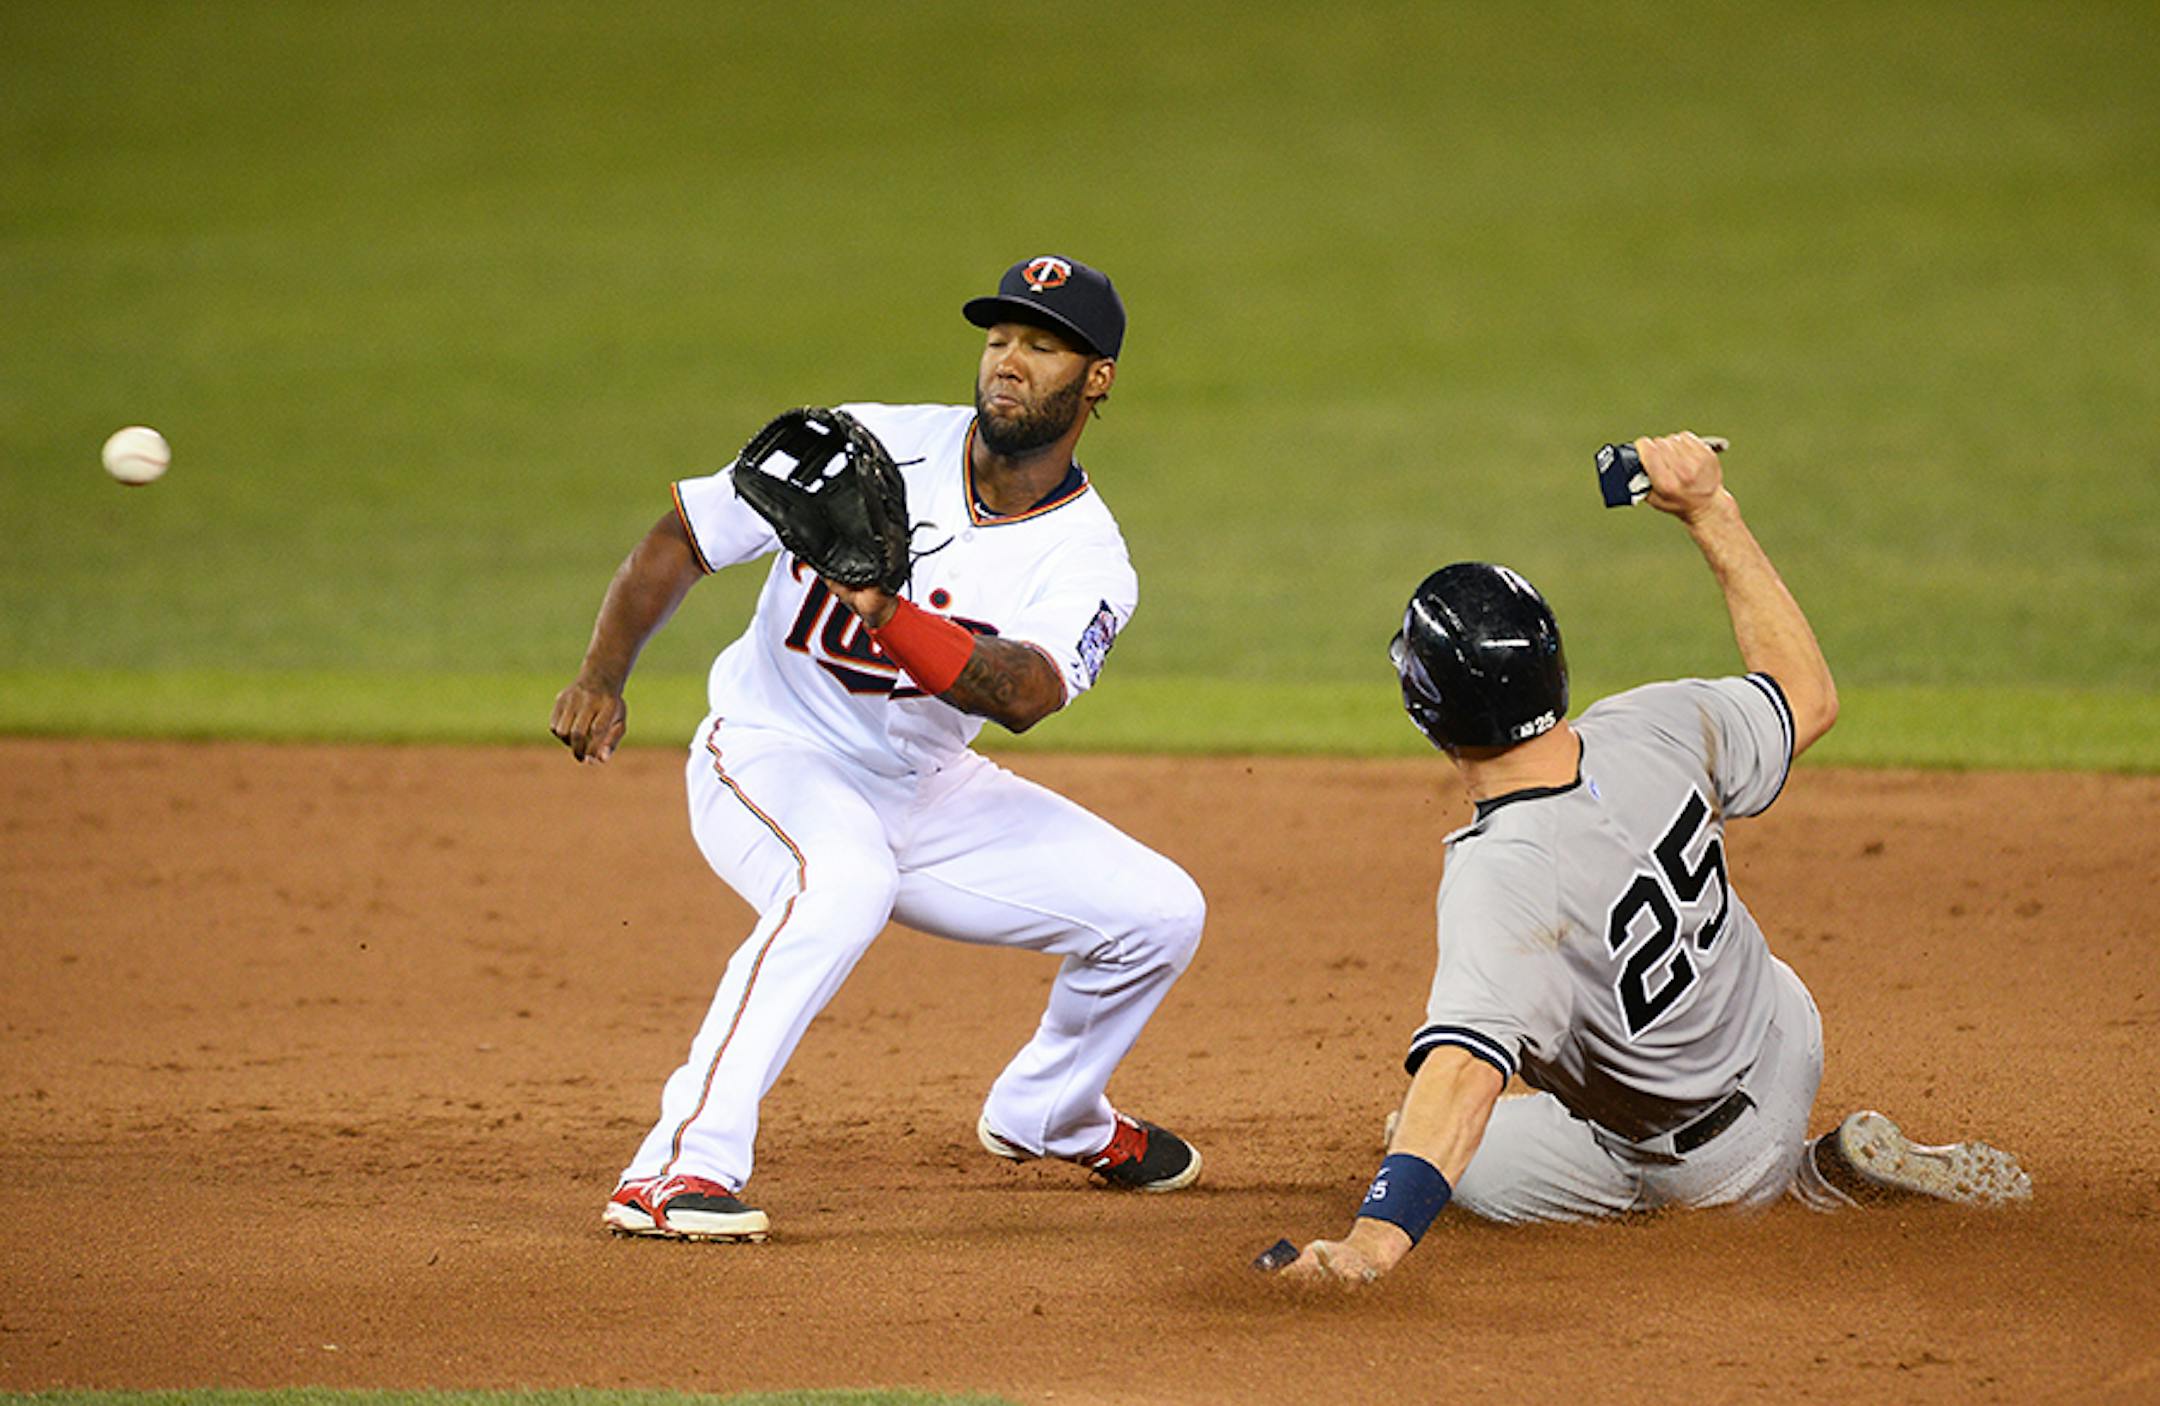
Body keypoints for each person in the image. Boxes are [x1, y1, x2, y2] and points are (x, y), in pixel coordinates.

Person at [550, 255, 1207, 1242]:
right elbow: (683, 534)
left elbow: (1026, 691)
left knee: (1161, 912)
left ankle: (1051, 1110)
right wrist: (603, 673)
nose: (1008, 362)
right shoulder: (868, 445)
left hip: (924, 785)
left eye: (1040, 344)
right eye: (998, 340)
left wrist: (886, 611)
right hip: (772, 749)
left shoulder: (1088, 555)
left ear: (1097, 377)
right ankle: (677, 1164)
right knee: (840, 880)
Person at [1285, 432, 2030, 1285]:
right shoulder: (1653, 724)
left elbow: (1460, 1072)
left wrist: (1370, 1246)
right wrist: (1712, 510)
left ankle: (1812, 1181)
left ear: (1425, 711)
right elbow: (1806, 696)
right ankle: (1781, 1154)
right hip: (1787, 1032)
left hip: (1706, 1163)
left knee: (1431, 1147)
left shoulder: (1504, 878)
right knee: (1476, 1113)